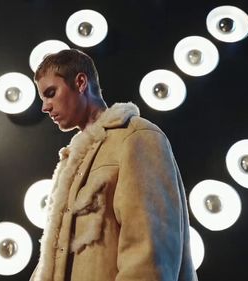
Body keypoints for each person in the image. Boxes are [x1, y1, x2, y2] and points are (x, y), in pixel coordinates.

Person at [30, 49, 198, 281]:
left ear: (80, 82)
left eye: (51, 93)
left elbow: (150, 253)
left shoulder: (136, 136)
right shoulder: (73, 162)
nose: (45, 107)